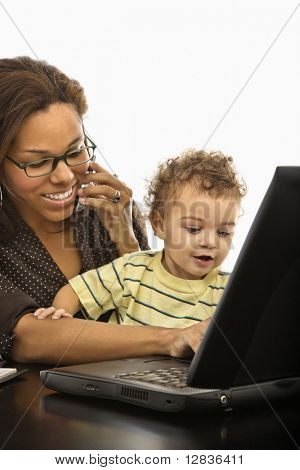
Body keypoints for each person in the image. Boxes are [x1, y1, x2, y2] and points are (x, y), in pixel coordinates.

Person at [0, 56, 209, 365]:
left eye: (75, 151)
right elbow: (25, 337)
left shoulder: (109, 212)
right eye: (38, 162)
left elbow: (151, 310)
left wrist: (127, 241)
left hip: (127, 400)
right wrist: (171, 339)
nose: (64, 176)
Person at [34, 149, 246, 328]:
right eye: (193, 229)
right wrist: (60, 315)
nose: (210, 242)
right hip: (119, 374)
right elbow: (75, 291)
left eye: (223, 232)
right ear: (159, 224)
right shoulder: (132, 270)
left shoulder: (230, 291)